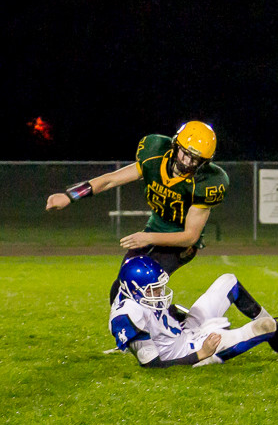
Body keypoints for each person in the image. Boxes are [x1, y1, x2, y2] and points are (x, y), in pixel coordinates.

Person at [46, 121, 230, 303]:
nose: (188, 161)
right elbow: (110, 180)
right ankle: (168, 321)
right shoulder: (154, 156)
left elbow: (190, 237)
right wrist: (70, 196)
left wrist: (148, 238)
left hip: (180, 244)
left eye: (196, 159)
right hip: (154, 228)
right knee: (122, 287)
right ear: (176, 145)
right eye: (186, 153)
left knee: (144, 289)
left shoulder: (207, 183)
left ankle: (174, 322)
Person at [109, 256, 278, 367]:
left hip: (184, 332)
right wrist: (201, 354)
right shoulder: (127, 315)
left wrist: (177, 316)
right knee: (266, 327)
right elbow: (152, 365)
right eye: (154, 289)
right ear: (134, 289)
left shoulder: (136, 294)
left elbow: (160, 314)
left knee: (228, 281)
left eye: (159, 286)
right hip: (186, 351)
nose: (160, 292)